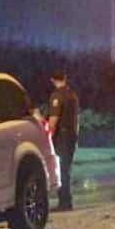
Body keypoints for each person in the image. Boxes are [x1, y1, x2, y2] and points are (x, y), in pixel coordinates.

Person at [47, 70, 79, 211]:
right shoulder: (72, 95)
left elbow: (54, 120)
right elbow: (77, 119)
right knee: (67, 169)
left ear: (53, 80)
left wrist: (48, 136)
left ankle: (65, 202)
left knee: (61, 170)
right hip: (72, 136)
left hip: (62, 138)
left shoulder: (57, 96)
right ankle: (66, 201)